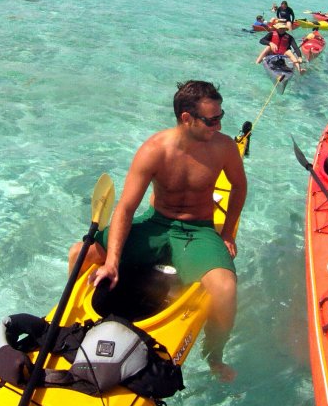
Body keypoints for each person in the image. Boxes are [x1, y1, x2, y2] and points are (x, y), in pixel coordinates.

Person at [70, 81, 248, 382]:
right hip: (156, 223)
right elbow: (125, 208)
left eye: (221, 116)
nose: (218, 125)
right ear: (186, 118)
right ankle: (71, 323)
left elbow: (239, 187)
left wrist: (228, 232)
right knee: (80, 252)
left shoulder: (224, 148)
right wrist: (112, 261)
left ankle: (214, 354)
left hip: (197, 230)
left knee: (226, 288)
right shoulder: (154, 150)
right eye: (211, 119)